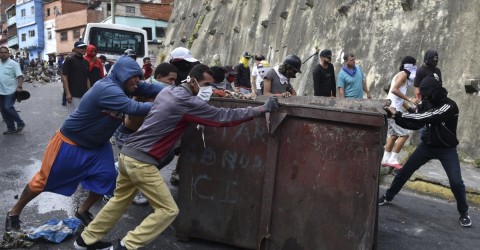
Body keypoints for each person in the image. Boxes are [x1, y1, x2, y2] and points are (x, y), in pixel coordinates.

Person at [74, 64, 279, 250]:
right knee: (168, 210)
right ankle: (126, 246)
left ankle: (85, 240)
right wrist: (261, 109)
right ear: (192, 80)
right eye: (205, 84)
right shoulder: (188, 102)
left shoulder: (169, 92)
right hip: (141, 162)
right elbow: (223, 117)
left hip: (127, 154)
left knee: (118, 201)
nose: (207, 88)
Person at [4, 56, 163, 232]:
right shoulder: (107, 88)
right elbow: (135, 108)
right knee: (42, 181)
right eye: (134, 76)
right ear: (123, 74)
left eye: (139, 77)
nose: (138, 81)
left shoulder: (129, 84)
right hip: (70, 143)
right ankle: (14, 212)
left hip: (98, 146)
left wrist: (176, 92)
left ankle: (82, 210)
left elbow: (152, 87)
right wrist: (168, 103)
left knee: (106, 179)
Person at [379, 76, 471, 228]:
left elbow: (427, 116)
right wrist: (395, 116)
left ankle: (464, 213)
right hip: (427, 146)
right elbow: (416, 121)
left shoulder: (449, 106)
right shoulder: (427, 103)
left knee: (456, 182)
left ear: (434, 92)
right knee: (404, 172)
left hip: (446, 149)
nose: (424, 98)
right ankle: (388, 196)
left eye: (426, 95)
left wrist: (397, 114)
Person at [103, 62, 179, 205]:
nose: (173, 83)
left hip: (141, 136)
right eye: (170, 79)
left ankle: (128, 178)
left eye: (175, 80)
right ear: (159, 77)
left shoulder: (160, 90)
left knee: (167, 154)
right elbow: (132, 118)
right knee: (141, 161)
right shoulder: (144, 89)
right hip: (128, 135)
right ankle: (115, 179)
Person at [381, 56, 419, 169]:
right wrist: (410, 99)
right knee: (404, 135)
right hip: (393, 111)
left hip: (390, 108)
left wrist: (409, 108)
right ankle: (393, 159)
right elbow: (394, 90)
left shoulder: (404, 77)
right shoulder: (403, 74)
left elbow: (397, 97)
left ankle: (385, 159)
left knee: (393, 136)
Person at [0, 46, 25, 135]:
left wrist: (20, 86)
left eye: (5, 52)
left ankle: (20, 123)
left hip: (10, 90)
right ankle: (10, 128)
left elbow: (20, 76)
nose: (3, 54)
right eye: (1, 52)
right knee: (3, 110)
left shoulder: (13, 64)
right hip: (0, 91)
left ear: (8, 54)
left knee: (8, 107)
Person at [62, 41, 90, 113]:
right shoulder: (69, 60)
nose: (84, 49)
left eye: (85, 47)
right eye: (81, 47)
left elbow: (87, 78)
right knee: (73, 116)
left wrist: (89, 92)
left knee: (82, 115)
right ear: (75, 49)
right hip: (73, 94)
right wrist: (68, 93)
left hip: (84, 94)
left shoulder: (86, 62)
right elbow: (64, 77)